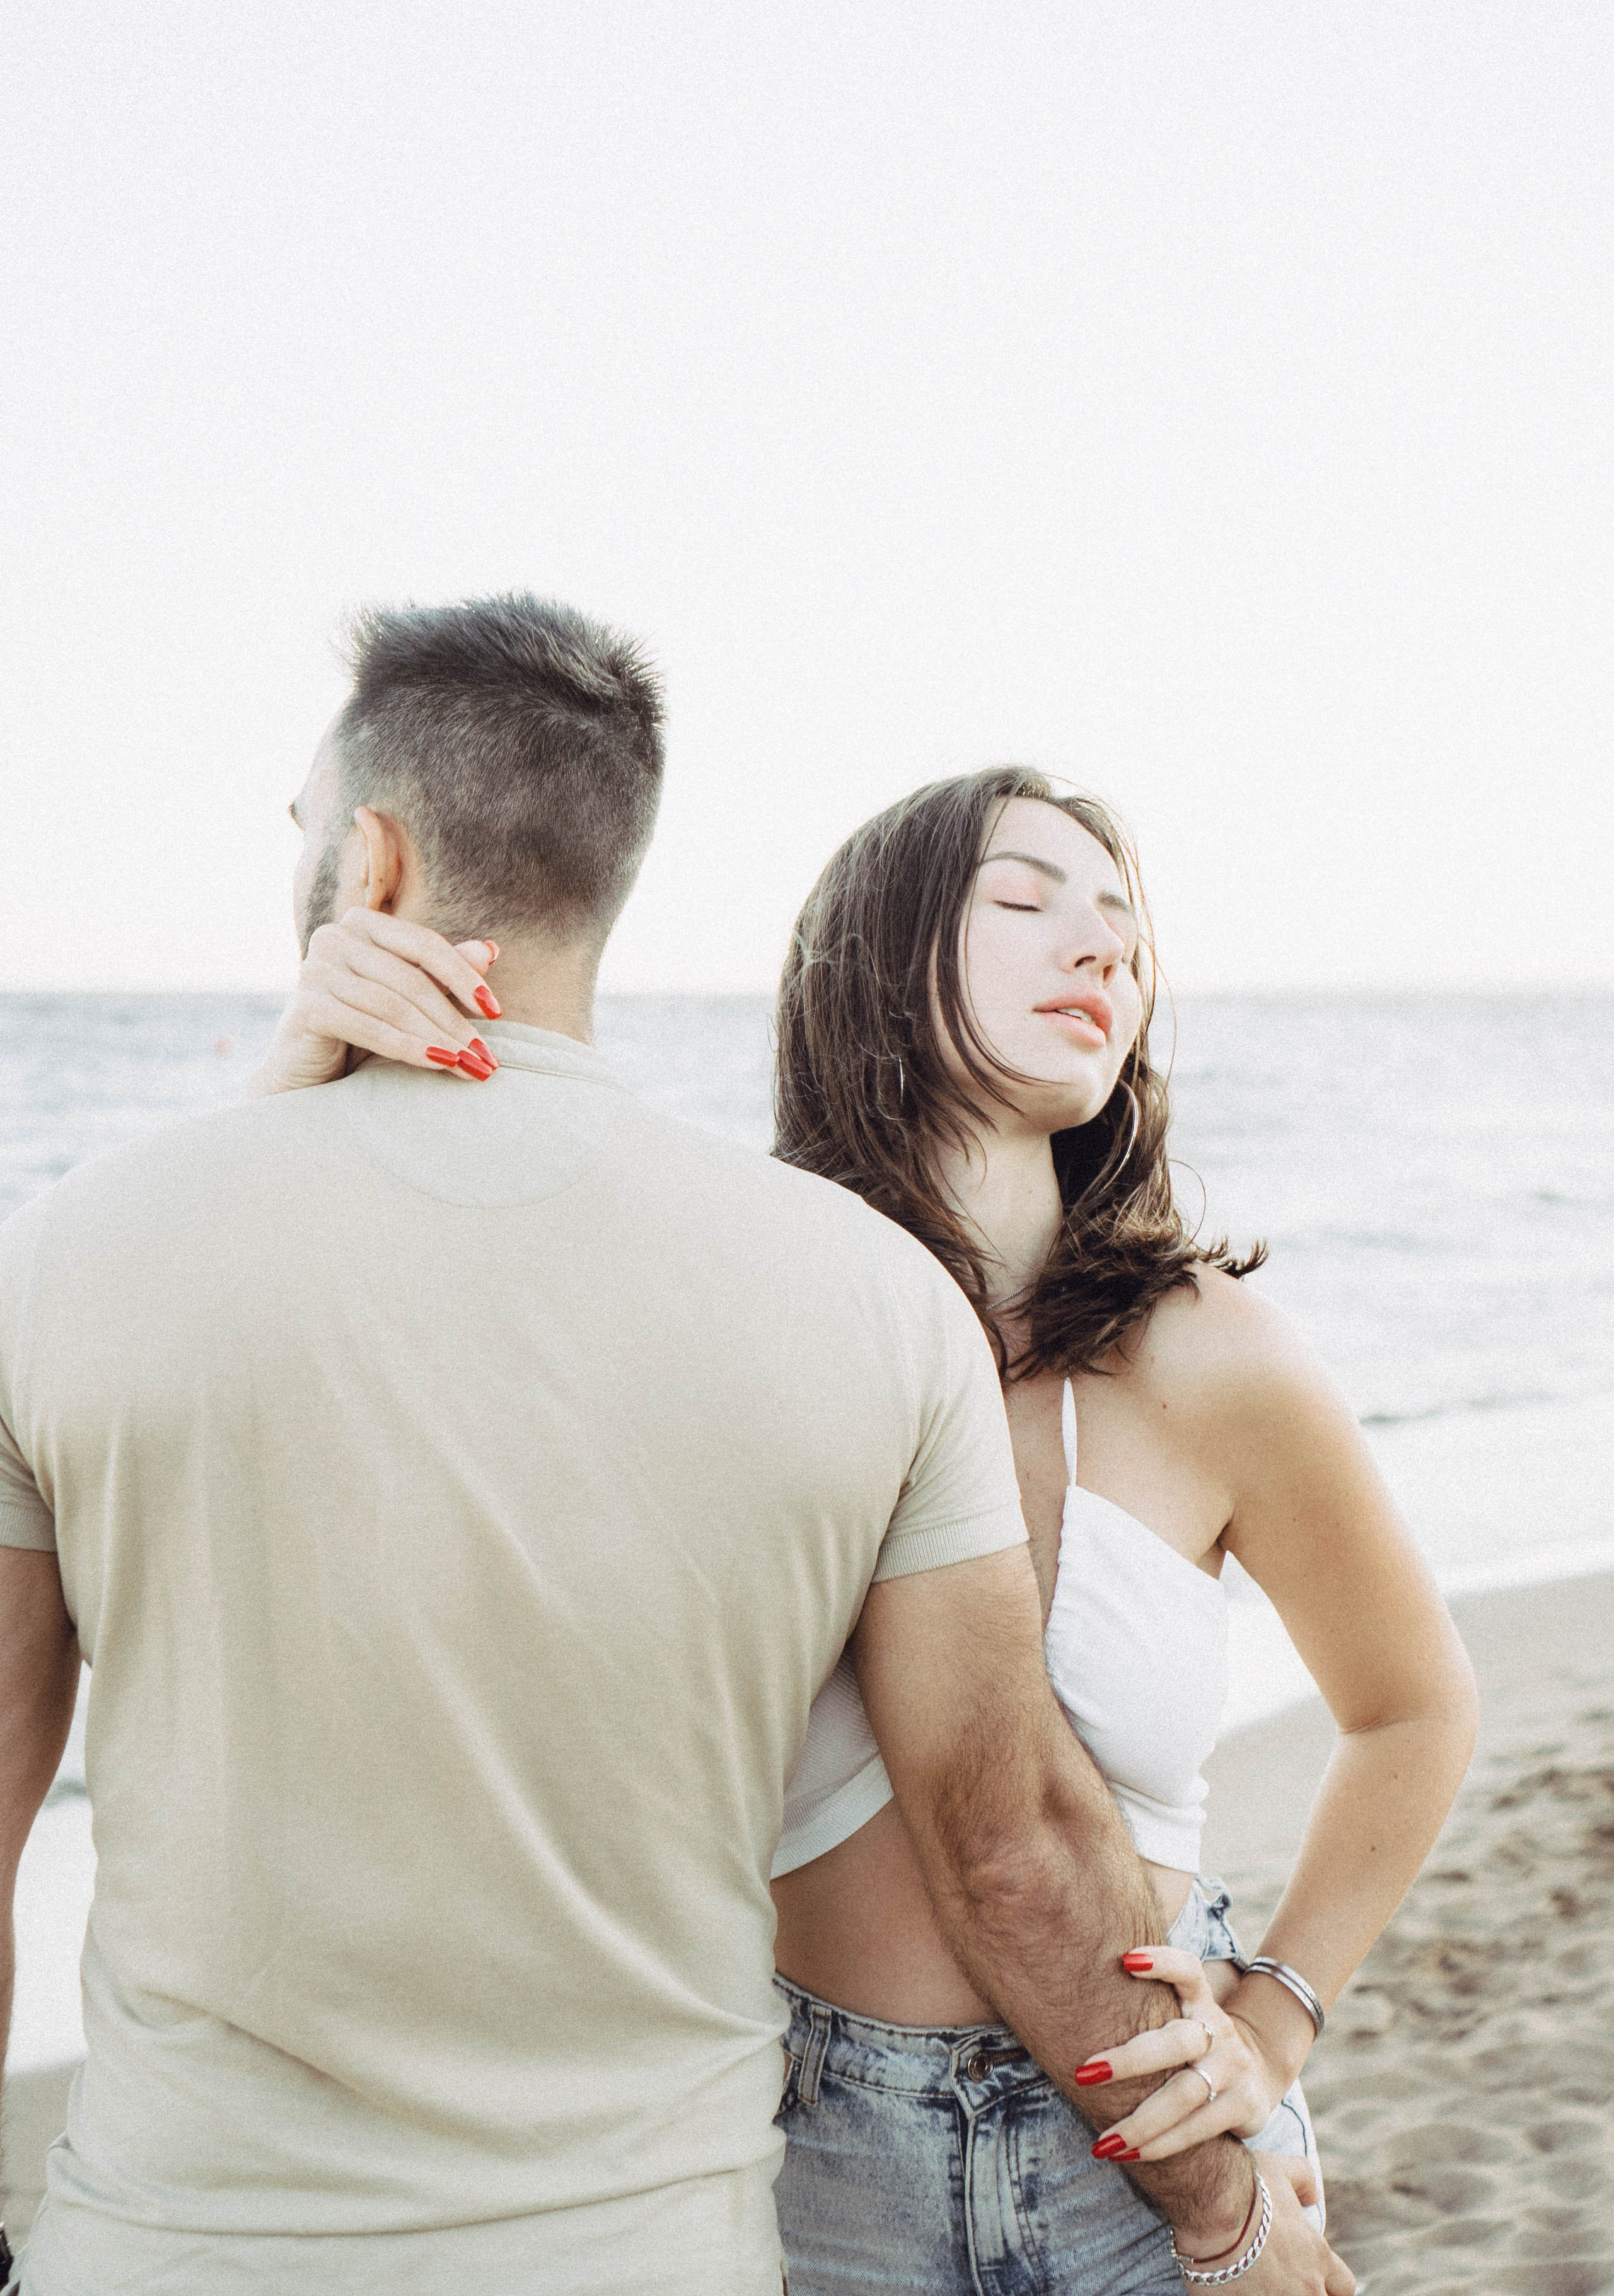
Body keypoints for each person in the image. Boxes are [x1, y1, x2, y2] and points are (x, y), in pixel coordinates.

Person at [0, 607, 1350, 2296]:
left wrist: (268, 1116)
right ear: (608, 870)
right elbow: (1010, 1843)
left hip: (173, 2253)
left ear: (375, 858)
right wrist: (1230, 2219)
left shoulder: (62, 1268)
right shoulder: (855, 1301)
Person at [272, 758, 1475, 2292]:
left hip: (1152, 2141)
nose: (1098, 948)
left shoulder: (1207, 1353)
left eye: (1118, 925)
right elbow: (371, 1414)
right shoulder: (735, 1309)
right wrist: (308, 1067)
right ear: (875, 958)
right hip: (817, 2148)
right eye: (1025, 902)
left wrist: (1275, 2012)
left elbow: (1411, 1706)